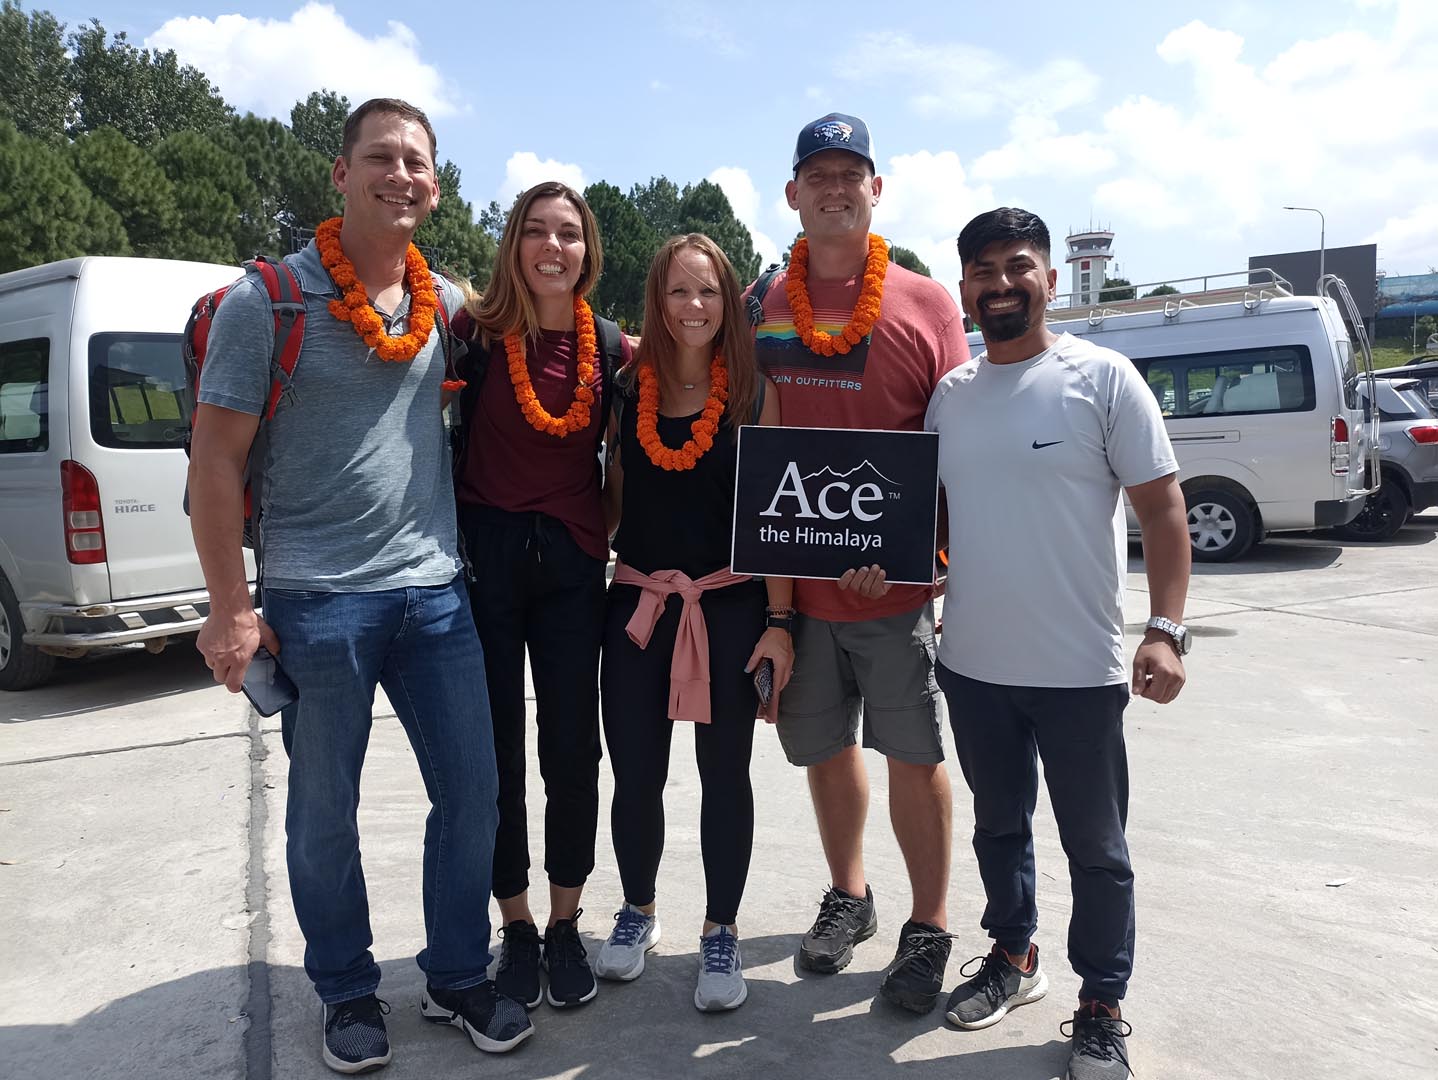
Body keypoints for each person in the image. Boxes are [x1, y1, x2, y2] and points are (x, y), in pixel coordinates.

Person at [189, 98, 531, 1074]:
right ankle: (345, 992)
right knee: (321, 815)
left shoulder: (447, 304)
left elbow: (546, 338)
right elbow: (213, 466)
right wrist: (231, 608)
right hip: (314, 600)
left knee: (473, 793)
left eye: (418, 161)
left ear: (434, 180)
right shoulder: (271, 302)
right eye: (380, 157)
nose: (402, 175)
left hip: (435, 594)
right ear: (339, 175)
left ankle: (459, 975)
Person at [927, 207, 1190, 1080]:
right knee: (999, 828)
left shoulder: (1104, 379)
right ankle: (1015, 957)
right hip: (971, 665)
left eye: (1019, 267)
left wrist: (1165, 629)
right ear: (964, 285)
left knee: (1098, 850)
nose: (1001, 284)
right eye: (984, 271)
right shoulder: (952, 396)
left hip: (1080, 670)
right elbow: (927, 518)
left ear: (1047, 276)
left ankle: (1103, 1004)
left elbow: (1162, 509)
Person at [749, 112, 970, 1013]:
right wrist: (773, 596)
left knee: (914, 753)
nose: (835, 187)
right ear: (793, 193)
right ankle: (852, 895)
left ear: (876, 191)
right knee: (824, 750)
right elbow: (766, 433)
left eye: (853, 173)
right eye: (818, 174)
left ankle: (930, 925)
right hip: (801, 592)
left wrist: (934, 560)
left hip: (897, 590)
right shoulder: (769, 304)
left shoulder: (927, 303)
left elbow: (957, 444)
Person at [593, 234, 792, 1011]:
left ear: (729, 298)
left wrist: (781, 620)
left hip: (731, 606)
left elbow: (774, 518)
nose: (695, 307)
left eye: (708, 291)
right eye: (679, 292)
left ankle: (721, 931)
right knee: (637, 773)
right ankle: (638, 909)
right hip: (639, 607)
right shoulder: (624, 388)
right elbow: (610, 504)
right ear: (657, 299)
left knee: (724, 774)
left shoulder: (752, 392)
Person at [453, 181, 627, 1011]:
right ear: (513, 244)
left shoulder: (612, 345)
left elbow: (628, 461)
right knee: (493, 755)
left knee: (570, 750)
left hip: (570, 567)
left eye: (569, 234)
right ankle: (514, 925)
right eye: (537, 232)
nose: (553, 248)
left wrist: (605, 535)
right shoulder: (474, 336)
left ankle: (565, 923)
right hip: (486, 560)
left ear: (588, 251)